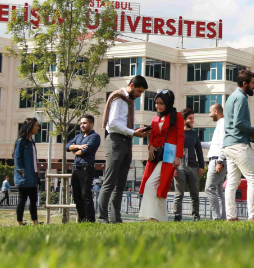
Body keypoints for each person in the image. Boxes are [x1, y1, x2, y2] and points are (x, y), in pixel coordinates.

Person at [97, 75, 150, 224]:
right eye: (139, 91)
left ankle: (115, 219)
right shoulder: (118, 98)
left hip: (126, 141)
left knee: (120, 183)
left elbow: (123, 124)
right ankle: (102, 218)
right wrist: (133, 132)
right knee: (109, 182)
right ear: (132, 86)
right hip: (115, 140)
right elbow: (112, 123)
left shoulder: (129, 101)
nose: (140, 95)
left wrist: (134, 131)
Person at [138, 90, 185, 222]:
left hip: (170, 155)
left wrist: (178, 156)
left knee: (152, 184)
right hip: (156, 155)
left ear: (168, 103)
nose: (158, 106)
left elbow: (180, 137)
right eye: (156, 103)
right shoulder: (155, 118)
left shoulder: (178, 116)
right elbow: (152, 136)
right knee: (158, 187)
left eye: (161, 103)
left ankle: (152, 217)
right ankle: (161, 218)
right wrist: (150, 146)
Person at [223, 70, 254, 222]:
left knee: (232, 182)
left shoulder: (231, 98)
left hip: (228, 145)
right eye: (253, 83)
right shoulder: (241, 98)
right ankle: (253, 216)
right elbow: (239, 123)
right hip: (238, 144)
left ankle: (231, 217)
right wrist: (253, 130)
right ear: (245, 83)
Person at [66, 114, 102, 223]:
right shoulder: (79, 136)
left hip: (86, 168)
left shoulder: (95, 137)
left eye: (84, 123)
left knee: (85, 195)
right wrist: (78, 146)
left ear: (91, 124)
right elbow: (67, 146)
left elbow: (84, 151)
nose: (82, 125)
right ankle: (81, 220)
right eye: (81, 123)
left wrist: (76, 149)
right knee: (76, 196)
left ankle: (90, 220)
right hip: (76, 168)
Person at [173, 108, 205, 222]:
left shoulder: (194, 133)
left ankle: (196, 217)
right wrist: (173, 168)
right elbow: (172, 151)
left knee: (195, 195)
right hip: (179, 166)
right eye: (190, 118)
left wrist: (201, 166)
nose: (192, 120)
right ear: (184, 120)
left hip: (193, 167)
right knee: (179, 194)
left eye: (193, 118)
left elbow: (199, 151)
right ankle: (177, 217)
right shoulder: (176, 133)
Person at [202, 103, 228, 220]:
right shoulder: (221, 124)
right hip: (218, 159)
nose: (209, 115)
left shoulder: (222, 123)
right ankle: (222, 217)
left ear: (216, 112)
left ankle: (217, 218)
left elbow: (224, 143)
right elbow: (214, 145)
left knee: (209, 188)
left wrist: (220, 161)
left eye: (210, 112)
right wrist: (197, 143)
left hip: (217, 160)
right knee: (218, 191)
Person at [14, 117, 41, 226]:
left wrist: (36, 176)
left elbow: (34, 161)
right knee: (22, 199)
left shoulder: (32, 142)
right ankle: (19, 222)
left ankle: (35, 221)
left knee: (33, 200)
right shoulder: (21, 141)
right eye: (36, 126)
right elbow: (17, 158)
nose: (38, 128)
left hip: (33, 176)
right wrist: (21, 171)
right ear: (30, 127)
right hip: (24, 176)